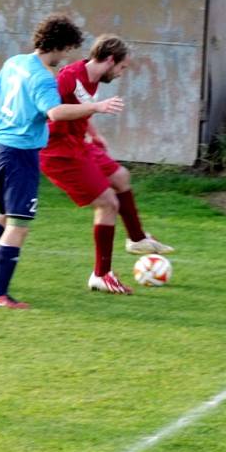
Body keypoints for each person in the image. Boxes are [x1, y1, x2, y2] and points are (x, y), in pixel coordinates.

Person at [0, 14, 124, 308]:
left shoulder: (13, 63)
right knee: (19, 223)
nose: (65, 58)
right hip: (20, 153)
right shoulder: (44, 78)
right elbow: (55, 113)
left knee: (4, 214)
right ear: (59, 46)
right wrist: (96, 107)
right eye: (66, 50)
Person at [39, 34, 174, 294]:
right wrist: (97, 108)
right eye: (122, 67)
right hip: (58, 151)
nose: (122, 73)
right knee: (108, 203)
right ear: (110, 60)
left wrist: (93, 131)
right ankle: (101, 275)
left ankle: (137, 239)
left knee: (121, 176)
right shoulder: (69, 76)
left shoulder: (91, 79)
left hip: (78, 143)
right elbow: (53, 110)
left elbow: (80, 106)